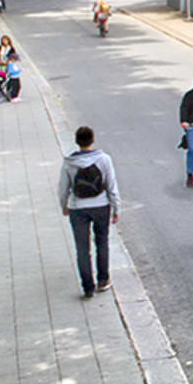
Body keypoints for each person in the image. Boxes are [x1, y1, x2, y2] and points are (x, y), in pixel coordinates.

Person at [58, 126, 120, 299]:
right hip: (101, 206)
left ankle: (88, 287)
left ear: (77, 142)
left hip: (78, 208)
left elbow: (63, 188)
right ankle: (103, 279)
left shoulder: (69, 163)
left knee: (82, 249)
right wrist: (116, 208)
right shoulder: (104, 159)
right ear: (92, 140)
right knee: (102, 242)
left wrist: (64, 205)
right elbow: (111, 185)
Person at [0, 35, 22, 101]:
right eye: (3, 40)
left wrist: (8, 62)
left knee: (8, 79)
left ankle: (9, 92)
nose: (4, 42)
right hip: (1, 66)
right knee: (2, 78)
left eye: (5, 40)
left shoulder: (11, 48)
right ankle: (3, 90)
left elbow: (13, 57)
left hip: (8, 65)